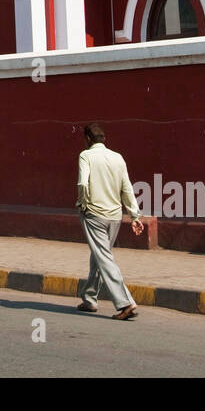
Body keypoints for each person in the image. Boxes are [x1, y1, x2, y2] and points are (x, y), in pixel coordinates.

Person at [75, 122, 143, 320]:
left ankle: (125, 303)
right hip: (114, 216)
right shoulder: (117, 158)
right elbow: (127, 188)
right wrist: (135, 216)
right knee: (100, 255)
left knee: (104, 257)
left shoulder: (85, 156)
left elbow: (82, 183)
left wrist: (82, 203)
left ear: (88, 139)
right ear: (103, 139)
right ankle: (89, 299)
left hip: (94, 214)